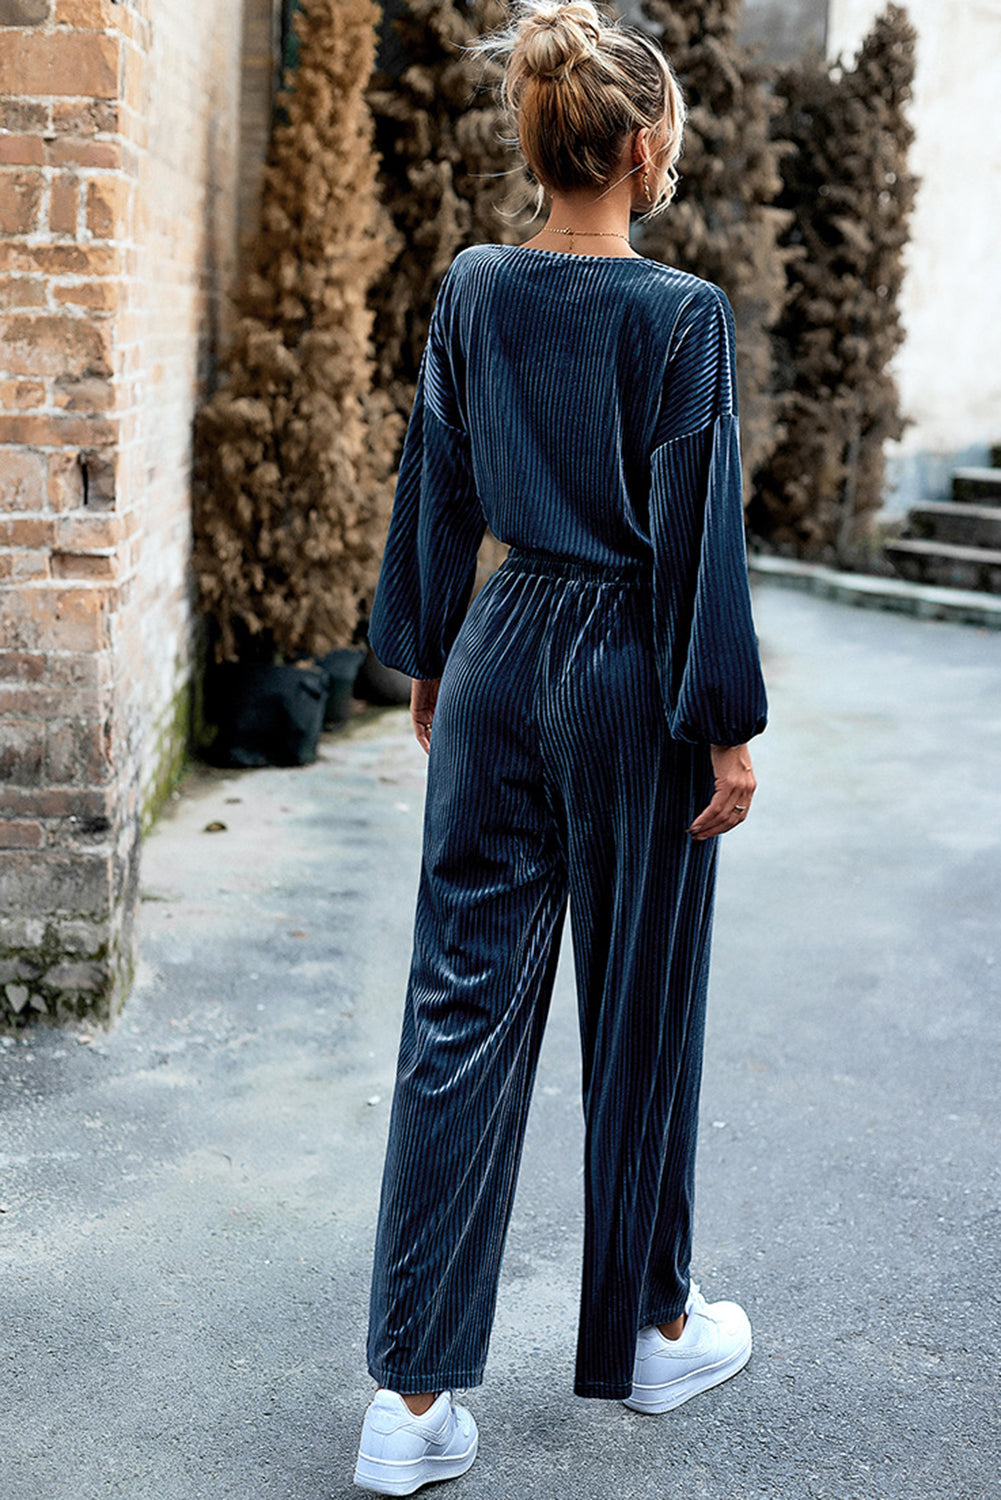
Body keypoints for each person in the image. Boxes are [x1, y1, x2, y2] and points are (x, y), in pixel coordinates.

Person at [352, 2, 768, 1492]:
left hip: (501, 641)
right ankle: (651, 1329)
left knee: (457, 1010)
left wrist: (431, 654)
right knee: (640, 1006)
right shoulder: (680, 316)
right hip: (629, 670)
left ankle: (407, 1406)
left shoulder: (473, 286)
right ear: (644, 146)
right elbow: (698, 536)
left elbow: (437, 476)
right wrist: (724, 724)